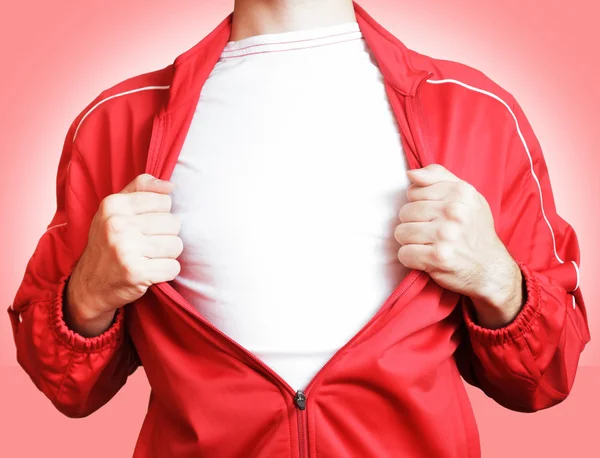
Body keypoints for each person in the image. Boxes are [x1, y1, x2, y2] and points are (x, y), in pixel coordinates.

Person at [7, 0, 591, 456]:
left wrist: (497, 278)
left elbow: (546, 380)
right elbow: (66, 386)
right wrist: (86, 296)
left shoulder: (477, 111)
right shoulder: (117, 122)